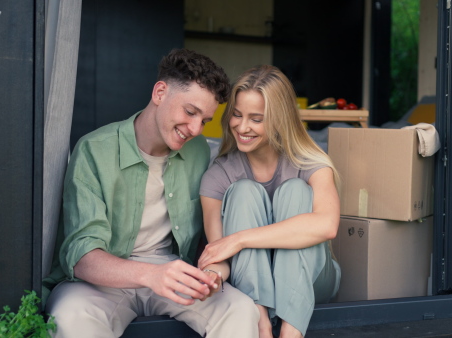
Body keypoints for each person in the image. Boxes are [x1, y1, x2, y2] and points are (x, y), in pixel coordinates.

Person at [42, 49, 260, 337]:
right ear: (160, 93)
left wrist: (211, 275)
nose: (196, 129)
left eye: (205, 120)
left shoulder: (197, 152)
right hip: (100, 279)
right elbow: (82, 256)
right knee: (71, 318)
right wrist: (150, 275)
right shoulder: (94, 150)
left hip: (171, 270)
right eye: (190, 112)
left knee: (240, 309)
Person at [198, 65, 341, 338]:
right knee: (242, 191)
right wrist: (211, 276)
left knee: (296, 190)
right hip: (252, 287)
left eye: (256, 119)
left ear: (279, 119)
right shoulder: (219, 175)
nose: (243, 127)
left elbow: (327, 225)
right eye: (237, 115)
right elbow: (220, 254)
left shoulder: (311, 163)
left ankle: (291, 331)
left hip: (315, 280)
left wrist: (240, 238)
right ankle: (261, 322)